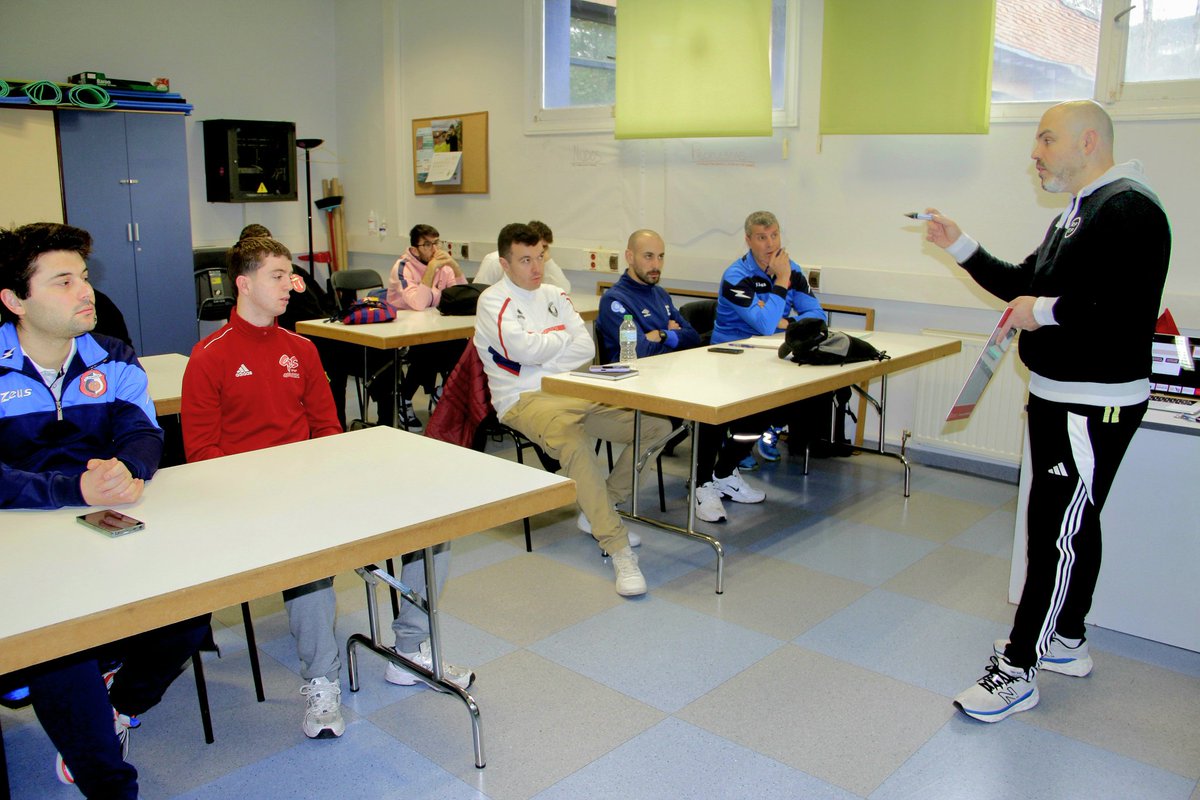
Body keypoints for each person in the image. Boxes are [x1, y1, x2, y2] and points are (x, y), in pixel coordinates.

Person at [923, 100, 1171, 723]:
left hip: (1093, 404)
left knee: (1053, 532)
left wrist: (1046, 312)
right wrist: (960, 245)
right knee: (1071, 525)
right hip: (1060, 395)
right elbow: (1020, 283)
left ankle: (1019, 668)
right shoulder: (1080, 214)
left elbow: (1118, 307)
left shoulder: (1130, 209)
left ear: (1089, 142)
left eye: (1045, 139)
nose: (1034, 153)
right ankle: (1065, 641)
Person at [182, 236, 472, 741]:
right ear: (244, 284)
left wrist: (333, 478)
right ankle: (321, 680)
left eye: (290, 274)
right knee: (312, 563)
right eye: (277, 276)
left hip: (315, 483)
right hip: (252, 497)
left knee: (432, 529)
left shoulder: (302, 349)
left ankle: (408, 650)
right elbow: (202, 455)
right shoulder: (209, 357)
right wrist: (265, 489)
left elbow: (327, 429)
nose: (292, 285)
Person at [0, 222, 208, 798]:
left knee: (191, 613)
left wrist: (130, 469)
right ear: (15, 300)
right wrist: (75, 488)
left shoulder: (110, 355)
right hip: (19, 541)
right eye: (63, 281)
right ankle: (110, 783)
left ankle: (116, 702)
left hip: (100, 525)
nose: (85, 292)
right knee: (58, 645)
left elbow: (144, 431)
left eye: (84, 278)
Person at [475, 223, 672, 596]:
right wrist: (554, 346)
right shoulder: (492, 301)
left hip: (572, 388)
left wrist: (543, 349)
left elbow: (583, 348)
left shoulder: (553, 294)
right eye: (525, 260)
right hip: (522, 400)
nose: (536, 267)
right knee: (574, 442)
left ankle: (602, 506)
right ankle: (616, 546)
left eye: (540, 257)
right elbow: (521, 352)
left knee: (656, 427)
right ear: (504, 263)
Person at [597, 229, 744, 523]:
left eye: (661, 256)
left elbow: (691, 337)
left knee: (722, 401)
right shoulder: (615, 299)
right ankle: (703, 483)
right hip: (635, 387)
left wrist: (663, 334)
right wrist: (669, 336)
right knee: (707, 410)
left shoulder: (659, 294)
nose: (656, 264)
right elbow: (637, 349)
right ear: (629, 257)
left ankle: (716, 476)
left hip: (668, 378)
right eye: (648, 256)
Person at [384, 223, 469, 429]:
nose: (434, 249)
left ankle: (444, 390)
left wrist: (455, 268)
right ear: (414, 249)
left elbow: (461, 297)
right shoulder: (402, 267)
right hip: (403, 328)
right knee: (428, 349)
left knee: (461, 344)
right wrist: (431, 270)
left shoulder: (444, 266)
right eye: (427, 244)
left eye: (436, 243)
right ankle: (404, 399)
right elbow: (419, 304)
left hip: (433, 325)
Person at [474, 219, 572, 293]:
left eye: (544, 247)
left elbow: (564, 290)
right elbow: (476, 295)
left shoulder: (541, 261)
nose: (539, 250)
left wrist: (546, 259)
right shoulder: (493, 260)